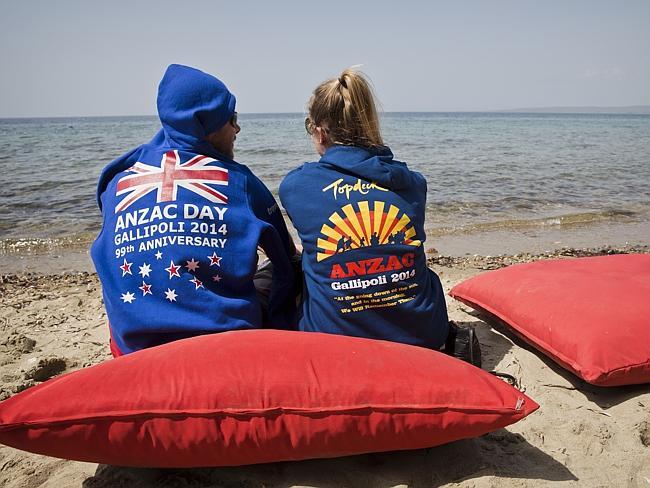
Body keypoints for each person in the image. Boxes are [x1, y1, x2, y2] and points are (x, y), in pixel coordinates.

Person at [91, 64, 296, 356]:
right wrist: (281, 321)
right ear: (205, 126)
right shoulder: (239, 180)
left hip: (134, 345)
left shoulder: (117, 179)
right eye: (232, 119)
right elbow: (285, 259)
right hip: (227, 340)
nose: (237, 128)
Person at [279, 68, 452, 352]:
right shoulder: (412, 183)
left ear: (320, 132)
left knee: (300, 266)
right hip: (423, 335)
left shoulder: (296, 186)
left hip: (334, 340)